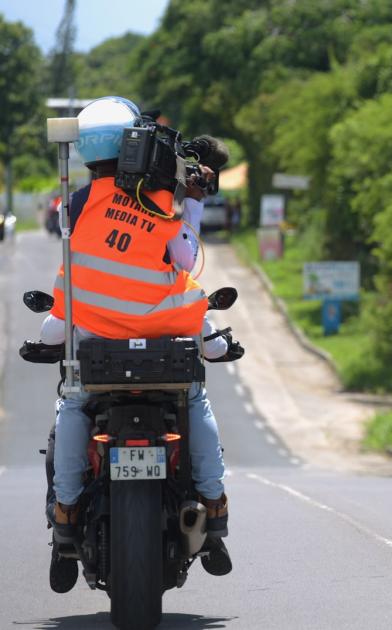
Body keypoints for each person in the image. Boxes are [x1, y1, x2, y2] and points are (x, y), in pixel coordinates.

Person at [43, 96, 233, 579]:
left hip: (98, 349)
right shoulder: (160, 198)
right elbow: (186, 264)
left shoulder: (75, 206)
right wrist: (189, 201)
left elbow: (72, 283)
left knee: (72, 404)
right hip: (165, 345)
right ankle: (213, 502)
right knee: (196, 403)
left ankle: (65, 512)